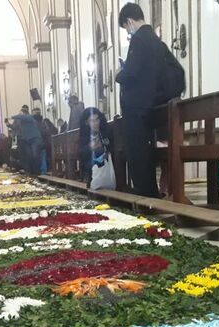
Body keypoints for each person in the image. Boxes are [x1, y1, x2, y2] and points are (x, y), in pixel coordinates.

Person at [116, 3, 165, 198]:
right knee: (145, 151)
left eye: (126, 28)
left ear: (129, 21)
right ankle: (149, 192)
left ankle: (144, 194)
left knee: (137, 152)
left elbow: (133, 72)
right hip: (149, 104)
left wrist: (120, 74)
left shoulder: (139, 40)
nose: (128, 32)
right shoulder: (155, 39)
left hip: (136, 107)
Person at [79, 107, 112, 186]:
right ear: (86, 122)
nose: (95, 123)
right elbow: (81, 155)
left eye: (97, 119)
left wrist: (105, 145)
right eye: (92, 121)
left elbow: (111, 145)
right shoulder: (84, 136)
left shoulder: (105, 131)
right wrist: (90, 147)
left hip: (107, 168)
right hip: (91, 170)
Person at [12, 106, 43, 175]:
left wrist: (13, 117)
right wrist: (9, 125)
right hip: (27, 140)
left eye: (21, 113)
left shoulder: (30, 117)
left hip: (35, 139)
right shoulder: (22, 121)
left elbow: (24, 117)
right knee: (29, 156)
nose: (20, 114)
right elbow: (16, 128)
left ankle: (37, 172)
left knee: (35, 155)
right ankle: (31, 172)